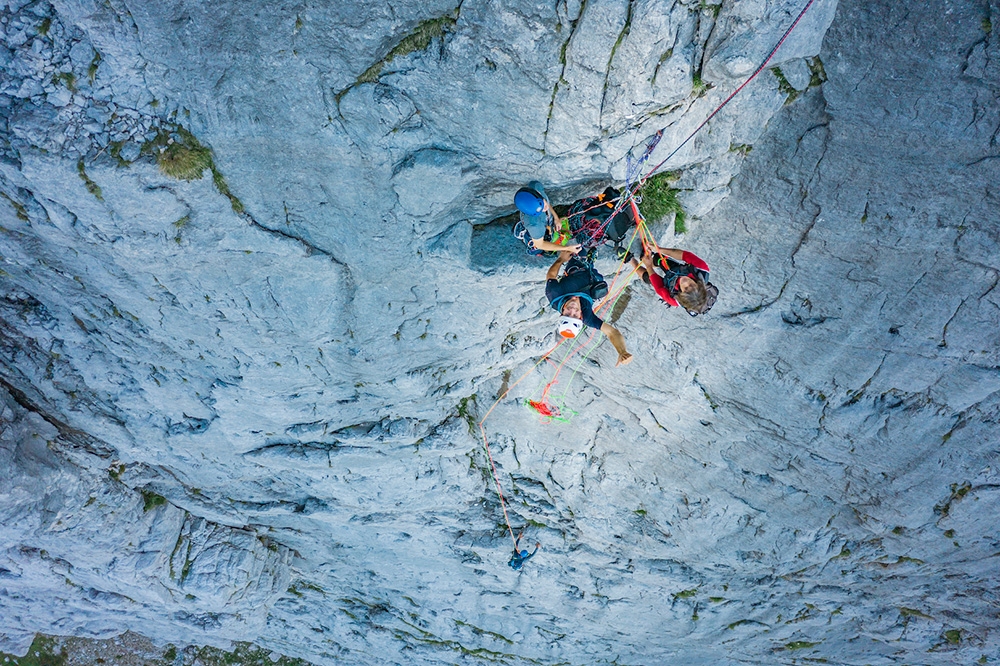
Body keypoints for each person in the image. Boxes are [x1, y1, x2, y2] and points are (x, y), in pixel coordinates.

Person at [546, 250, 633, 366]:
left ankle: (585, 257)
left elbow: (551, 276)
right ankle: (591, 262)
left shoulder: (555, 295)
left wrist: (561, 259)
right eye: (575, 315)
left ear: (561, 313)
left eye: (567, 314)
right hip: (593, 280)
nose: (572, 310)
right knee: (600, 288)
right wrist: (622, 351)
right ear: (581, 316)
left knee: (580, 251)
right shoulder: (588, 317)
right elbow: (612, 332)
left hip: (575, 268)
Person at [632, 243, 713, 314]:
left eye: (685, 288)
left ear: (681, 293)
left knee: (648, 277)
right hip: (678, 270)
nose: (685, 282)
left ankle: (631, 261)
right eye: (692, 285)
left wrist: (648, 266)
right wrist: (658, 249)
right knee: (658, 258)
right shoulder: (701, 269)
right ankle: (651, 259)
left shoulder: (673, 299)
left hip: (671, 283)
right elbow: (683, 255)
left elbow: (658, 287)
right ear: (698, 284)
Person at [513, 182, 581, 255]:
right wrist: (566, 248)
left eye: (543, 203)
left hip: (546, 219)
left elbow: (546, 206)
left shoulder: (536, 187)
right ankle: (527, 235)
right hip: (537, 225)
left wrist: (556, 218)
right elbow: (540, 244)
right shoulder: (534, 225)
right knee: (537, 250)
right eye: (542, 208)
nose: (545, 208)